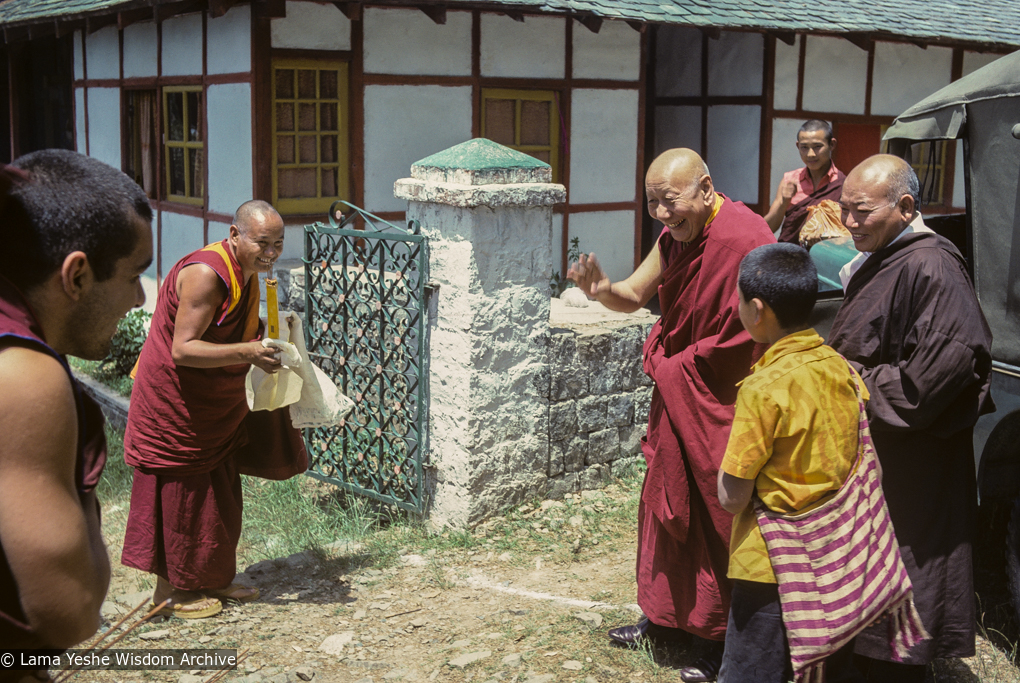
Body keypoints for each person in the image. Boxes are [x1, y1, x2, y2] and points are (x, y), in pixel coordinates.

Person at [568, 148, 774, 682]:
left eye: (671, 200)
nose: (662, 213)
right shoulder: (676, 236)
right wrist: (601, 291)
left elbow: (748, 332)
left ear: (706, 190)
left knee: (717, 512)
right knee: (667, 499)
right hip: (682, 389)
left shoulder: (745, 240)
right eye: (652, 203)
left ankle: (723, 636)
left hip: (723, 399)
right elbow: (634, 293)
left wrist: (674, 364)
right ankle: (666, 620)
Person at [828, 155, 994, 682]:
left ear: (904, 207)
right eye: (843, 211)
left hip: (911, 463)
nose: (849, 223)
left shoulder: (932, 265)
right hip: (877, 458)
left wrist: (846, 380)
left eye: (860, 212)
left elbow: (937, 373)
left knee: (903, 582)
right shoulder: (887, 256)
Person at [121, 200, 307, 619]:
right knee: (181, 496)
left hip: (211, 402)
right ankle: (172, 594)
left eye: (278, 244)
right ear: (235, 235)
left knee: (218, 489)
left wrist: (273, 333)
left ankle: (210, 578)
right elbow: (183, 349)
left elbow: (229, 326)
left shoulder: (247, 271)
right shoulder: (207, 274)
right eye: (262, 243)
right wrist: (249, 351)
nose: (271, 254)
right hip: (177, 400)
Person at [0, 150, 153, 651]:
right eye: (134, 275)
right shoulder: (22, 374)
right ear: (78, 276)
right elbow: (71, 612)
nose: (140, 300)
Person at [716, 243, 889, 683]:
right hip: (838, 559)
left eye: (738, 300)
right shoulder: (841, 367)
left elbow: (732, 498)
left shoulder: (763, 389)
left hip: (771, 568)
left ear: (757, 310)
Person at [763, 120, 844, 244]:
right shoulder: (790, 180)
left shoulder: (843, 184)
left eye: (817, 147)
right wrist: (784, 202)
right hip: (791, 256)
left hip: (826, 256)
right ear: (798, 146)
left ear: (832, 145)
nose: (810, 154)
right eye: (804, 147)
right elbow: (767, 228)